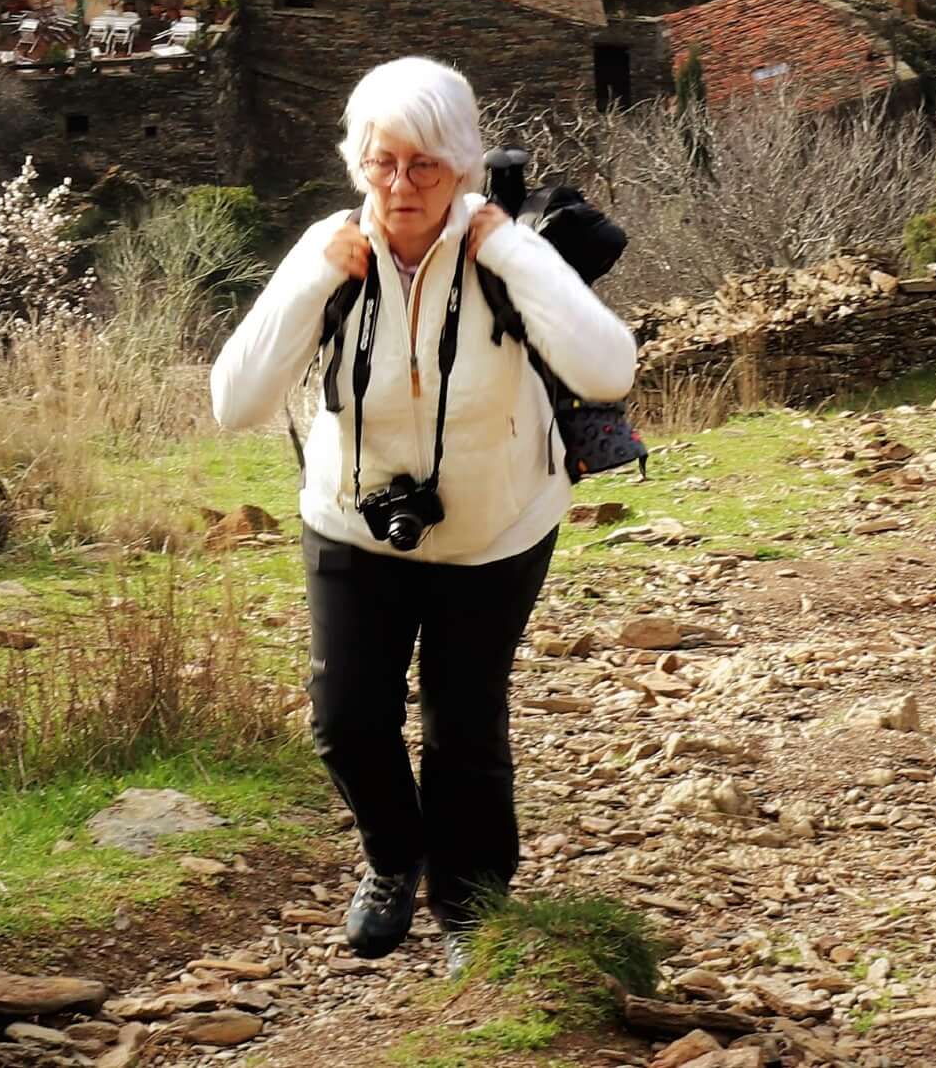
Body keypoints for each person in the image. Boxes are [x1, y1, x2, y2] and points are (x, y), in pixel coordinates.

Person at [207, 56, 635, 967]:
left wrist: (509, 245)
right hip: (352, 521)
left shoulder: (502, 255)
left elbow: (607, 370)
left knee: (462, 724)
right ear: (356, 161)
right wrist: (309, 283)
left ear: (464, 166)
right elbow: (234, 404)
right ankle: (393, 860)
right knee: (346, 719)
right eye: (381, 162)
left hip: (495, 529)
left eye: (426, 166)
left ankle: (473, 911)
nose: (401, 187)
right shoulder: (331, 250)